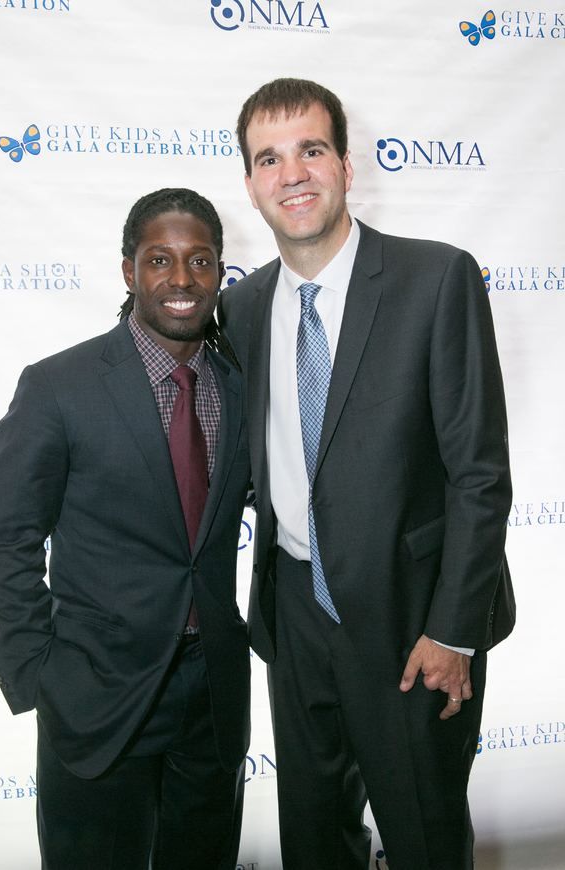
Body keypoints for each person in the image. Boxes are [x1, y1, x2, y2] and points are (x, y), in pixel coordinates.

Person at [218, 78, 515, 870]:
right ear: (250, 184)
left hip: (414, 627)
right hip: (294, 619)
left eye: (311, 149)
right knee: (315, 841)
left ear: (346, 164)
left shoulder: (435, 280)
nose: (293, 174)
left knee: (422, 839)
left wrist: (454, 630)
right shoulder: (242, 312)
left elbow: (479, 476)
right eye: (269, 159)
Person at [0, 188, 251, 870]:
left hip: (213, 696)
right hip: (97, 693)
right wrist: (43, 672)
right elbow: (7, 541)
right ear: (129, 271)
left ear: (220, 272)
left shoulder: (241, 386)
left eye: (200, 260)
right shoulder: (57, 386)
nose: (182, 279)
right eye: (161, 259)